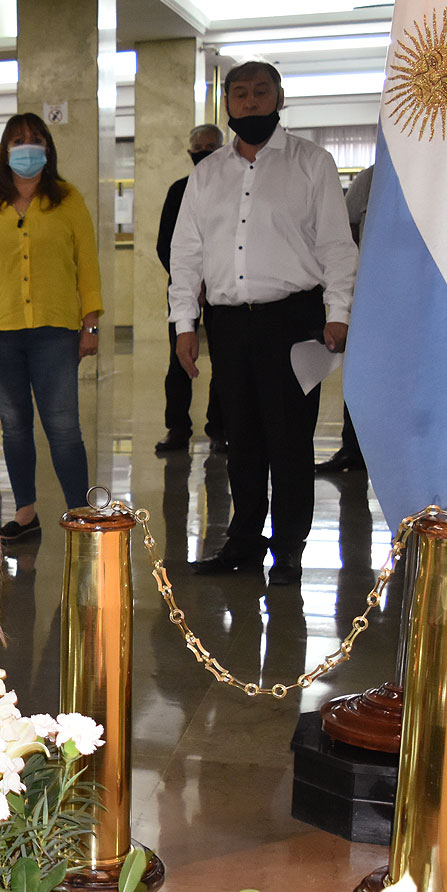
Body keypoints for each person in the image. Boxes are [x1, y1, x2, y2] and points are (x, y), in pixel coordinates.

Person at [170, 61, 358, 587]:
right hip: (228, 324)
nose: (249, 102)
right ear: (226, 102)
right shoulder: (206, 175)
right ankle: (244, 542)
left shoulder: (311, 164)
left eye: (260, 92)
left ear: (279, 97)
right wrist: (185, 323)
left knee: (289, 440)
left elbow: (337, 248)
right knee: (240, 439)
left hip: (292, 322)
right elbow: (186, 255)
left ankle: (290, 546)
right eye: (239, 93)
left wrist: (338, 313)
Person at [0, 112, 104, 544]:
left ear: (48, 148)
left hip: (54, 331)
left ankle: (81, 510)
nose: (27, 147)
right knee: (16, 426)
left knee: (63, 426)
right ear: (5, 150)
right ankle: (25, 513)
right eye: (18, 140)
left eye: (35, 139)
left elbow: (87, 264)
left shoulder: (68, 199)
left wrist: (90, 323)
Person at [155, 124, 226, 455]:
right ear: (190, 153)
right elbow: (165, 245)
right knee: (178, 361)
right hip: (184, 291)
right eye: (199, 148)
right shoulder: (178, 190)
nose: (205, 153)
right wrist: (190, 281)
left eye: (212, 147)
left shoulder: (232, 190)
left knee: (224, 362)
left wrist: (211, 281)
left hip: (224, 290)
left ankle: (220, 430)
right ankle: (177, 429)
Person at [318, 162, 376, 473]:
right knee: (359, 373)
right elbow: (346, 228)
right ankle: (353, 449)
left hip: (420, 296)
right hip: (370, 292)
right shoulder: (370, 178)